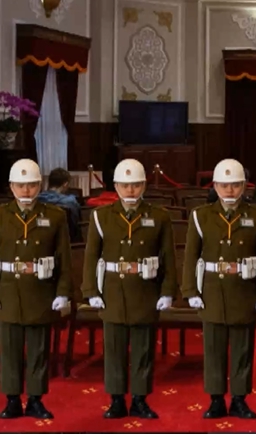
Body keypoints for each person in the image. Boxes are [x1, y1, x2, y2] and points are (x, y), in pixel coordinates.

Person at [81, 158, 177, 419]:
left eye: (135, 184)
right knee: (114, 349)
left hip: (145, 289)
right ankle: (116, 399)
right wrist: (91, 291)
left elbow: (168, 257)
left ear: (144, 185)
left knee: (144, 348)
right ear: (116, 186)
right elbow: (92, 257)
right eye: (125, 185)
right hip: (113, 290)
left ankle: (140, 399)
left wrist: (167, 291)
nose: (130, 190)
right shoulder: (101, 216)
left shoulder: (159, 216)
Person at [182, 159, 256, 419]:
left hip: (244, 289)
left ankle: (239, 399)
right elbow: (191, 257)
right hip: (212, 290)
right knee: (213, 348)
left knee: (242, 348)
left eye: (235, 185)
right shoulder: (201, 216)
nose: (230, 190)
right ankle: (215, 399)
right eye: (224, 185)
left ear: (244, 186)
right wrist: (190, 291)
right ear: (215, 186)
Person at [0, 159, 72, 419]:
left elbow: (64, 257)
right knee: (9, 350)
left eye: (31, 185)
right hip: (8, 290)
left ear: (40, 185)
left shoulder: (55, 216)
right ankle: (11, 399)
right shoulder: (1, 215)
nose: (26, 190)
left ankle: (35, 399)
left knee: (39, 349)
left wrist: (63, 292)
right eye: (20, 185)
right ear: (11, 187)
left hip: (41, 290)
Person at [37, 167, 81, 241]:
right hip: (68, 240)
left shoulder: (37, 200)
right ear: (65, 184)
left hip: (42, 240)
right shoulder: (70, 202)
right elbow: (76, 222)